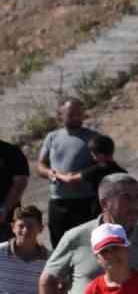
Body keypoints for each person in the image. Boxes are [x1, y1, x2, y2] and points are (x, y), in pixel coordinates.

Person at [37, 99, 101, 247]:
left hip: (85, 201)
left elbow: (102, 165)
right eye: (71, 114)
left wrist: (79, 177)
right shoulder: (52, 137)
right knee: (60, 246)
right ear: (61, 114)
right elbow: (40, 165)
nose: (76, 117)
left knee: (86, 245)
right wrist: (50, 173)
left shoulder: (93, 137)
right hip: (58, 200)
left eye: (79, 114)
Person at [79, 135, 126, 200]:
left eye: (93, 155)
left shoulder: (96, 170)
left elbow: (70, 179)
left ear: (100, 155)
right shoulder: (122, 172)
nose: (93, 158)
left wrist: (63, 175)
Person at [0, 135, 26, 244]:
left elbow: (20, 182)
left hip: (5, 220)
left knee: (7, 252)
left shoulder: (10, 151)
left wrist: (4, 210)